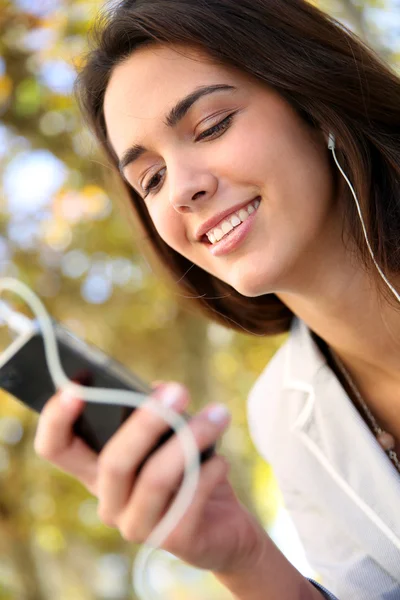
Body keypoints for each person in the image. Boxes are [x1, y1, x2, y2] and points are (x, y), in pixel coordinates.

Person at [33, 0, 400, 598]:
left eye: (210, 126)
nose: (181, 189)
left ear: (315, 104)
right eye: (149, 179)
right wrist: (243, 558)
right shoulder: (280, 415)